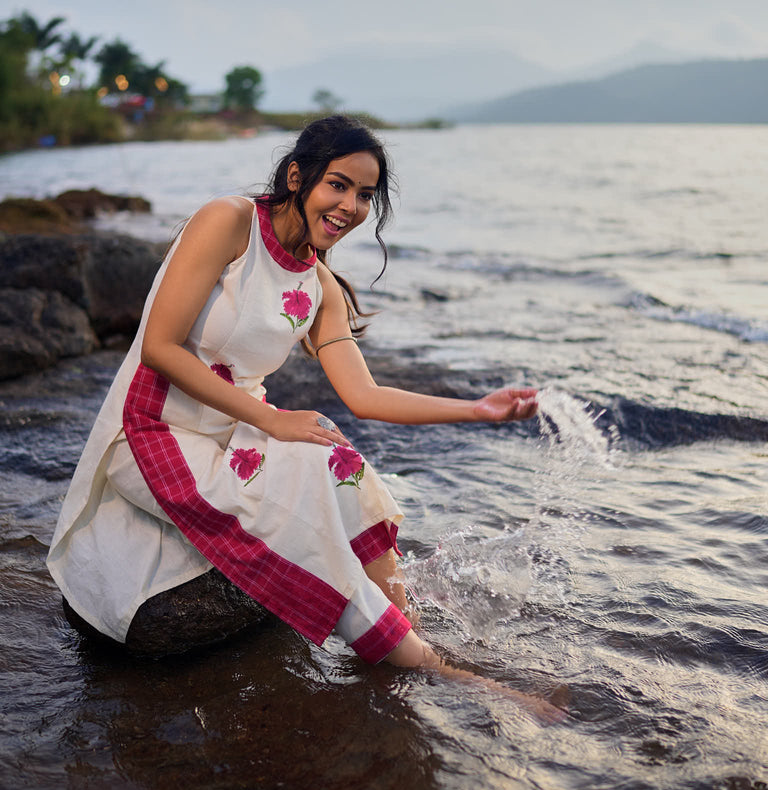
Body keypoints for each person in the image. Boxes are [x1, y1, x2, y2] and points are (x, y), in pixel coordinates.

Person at [47, 115, 560, 718]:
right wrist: (273, 422)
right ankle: (430, 666)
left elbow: (365, 395)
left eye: (366, 195)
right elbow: (159, 346)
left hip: (234, 432)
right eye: (338, 185)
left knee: (338, 457)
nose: (350, 206)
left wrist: (476, 409)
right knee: (305, 525)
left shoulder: (319, 286)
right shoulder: (229, 222)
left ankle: (399, 618)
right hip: (154, 431)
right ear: (298, 176)